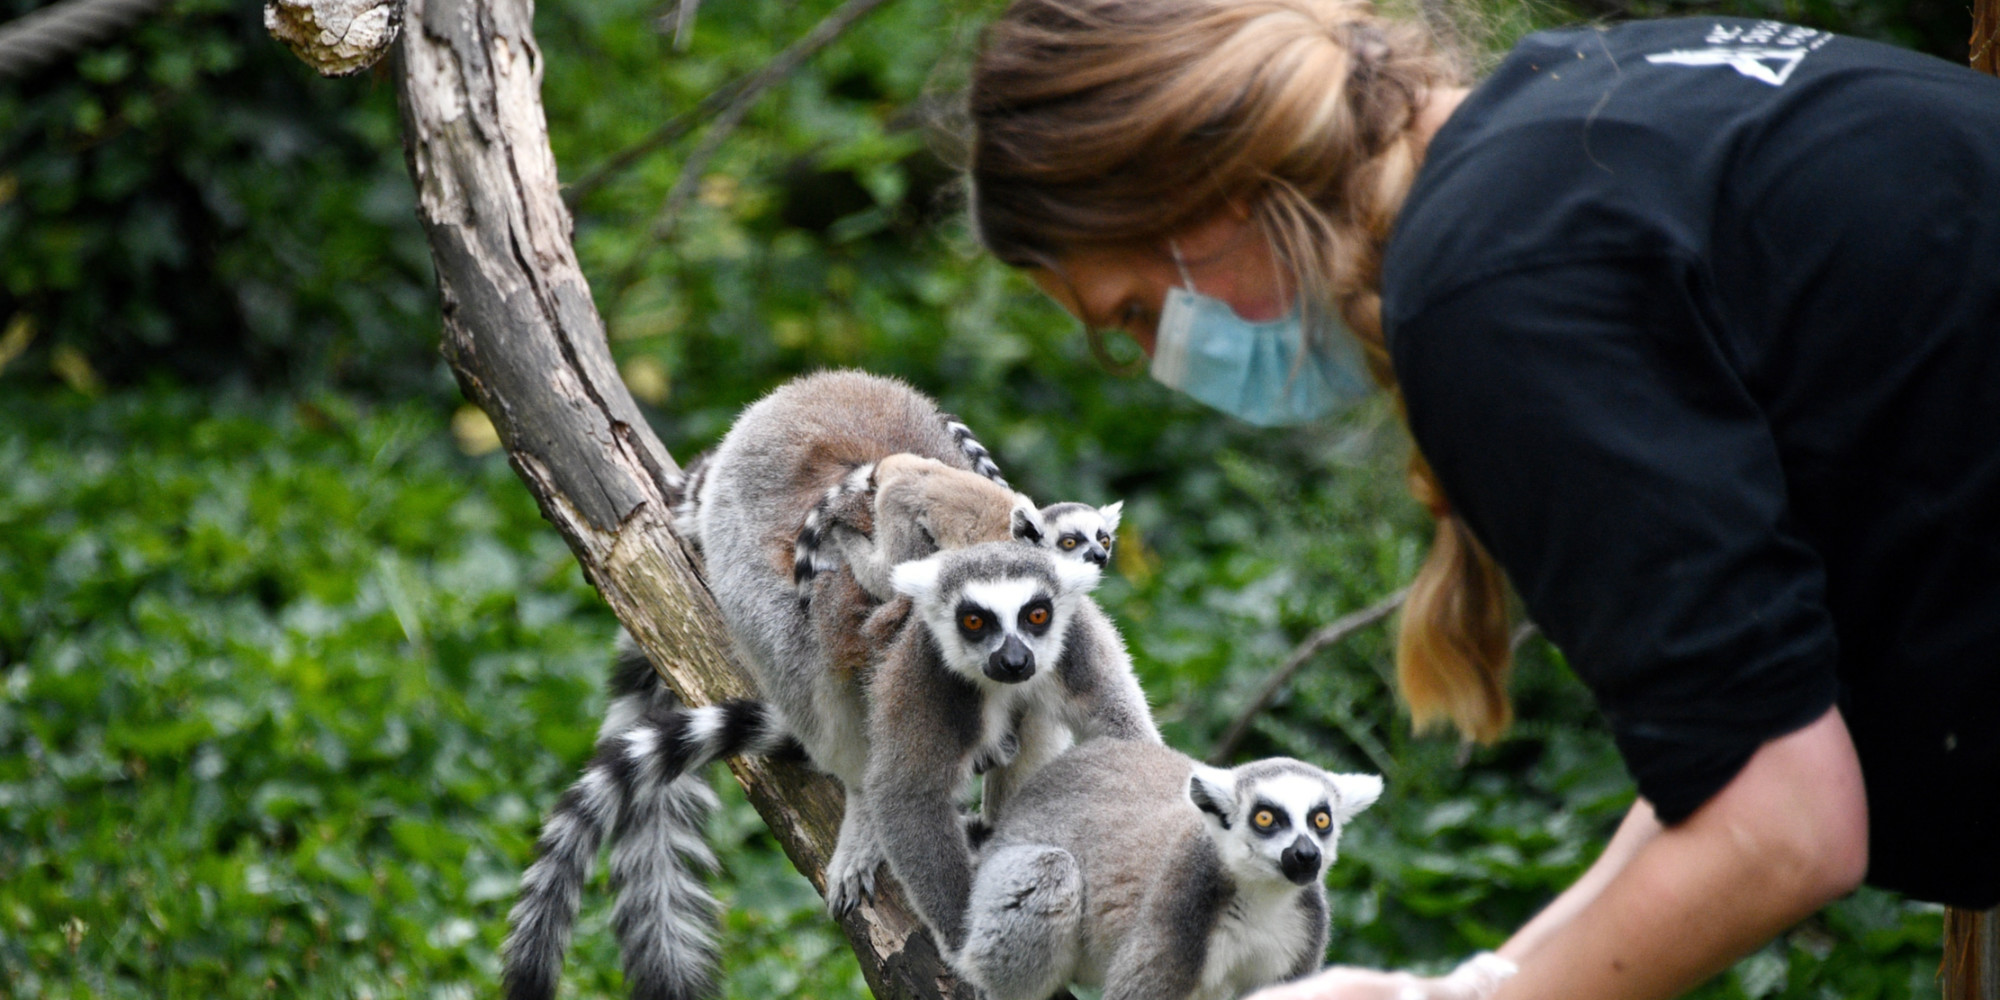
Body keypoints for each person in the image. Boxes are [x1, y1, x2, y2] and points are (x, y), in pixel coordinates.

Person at [962, 1, 2000, 998]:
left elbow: (1781, 827)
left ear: (1204, 186)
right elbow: (1748, 733)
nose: (1157, 363)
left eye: (1136, 311)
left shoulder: (1494, 291)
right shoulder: (1577, 100)